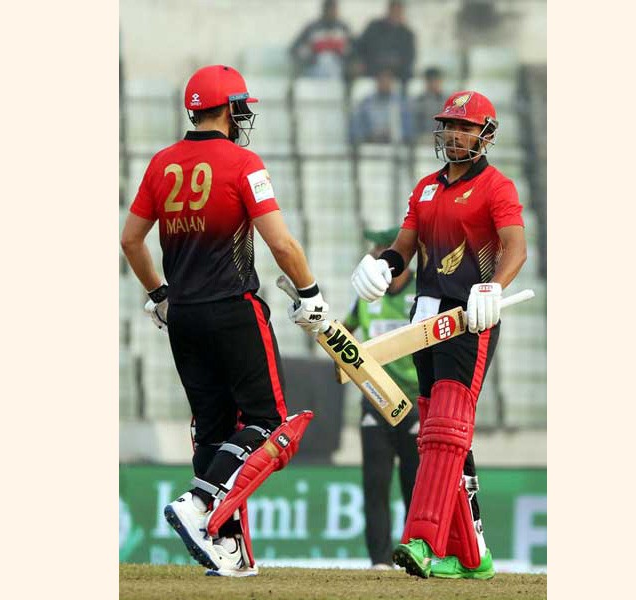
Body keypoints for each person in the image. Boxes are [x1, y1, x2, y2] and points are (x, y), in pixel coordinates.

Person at [120, 64, 329, 577]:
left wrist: (159, 295)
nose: (244, 116)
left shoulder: (161, 163)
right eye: (241, 107)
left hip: (184, 316)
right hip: (234, 309)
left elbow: (130, 240)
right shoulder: (243, 162)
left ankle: (227, 549)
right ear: (229, 109)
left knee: (212, 431)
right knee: (268, 421)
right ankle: (199, 502)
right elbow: (280, 242)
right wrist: (310, 292)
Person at [350, 90, 527, 580]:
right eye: (449, 125)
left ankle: (423, 542)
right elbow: (404, 247)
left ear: (486, 134)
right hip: (424, 317)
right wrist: (381, 268)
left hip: (471, 316)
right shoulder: (426, 188)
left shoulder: (497, 186)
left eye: (465, 126)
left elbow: (516, 248)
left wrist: (493, 285)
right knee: (439, 434)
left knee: (447, 429)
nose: (454, 134)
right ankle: (473, 558)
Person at [342, 226, 420, 569]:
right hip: (375, 401)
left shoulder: (423, 292)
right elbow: (344, 333)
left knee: (414, 488)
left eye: (380, 250)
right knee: (375, 485)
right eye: (374, 251)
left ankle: (415, 554)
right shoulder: (365, 298)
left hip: (416, 403)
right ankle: (379, 562)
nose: (375, 257)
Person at [351, 0, 416, 86]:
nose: (395, 14)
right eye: (394, 11)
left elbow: (409, 57)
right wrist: (358, 61)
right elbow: (359, 46)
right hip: (372, 67)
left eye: (398, 12)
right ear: (388, 11)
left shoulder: (407, 34)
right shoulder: (374, 27)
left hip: (397, 71)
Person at [290, 0, 353, 78]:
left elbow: (353, 50)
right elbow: (294, 49)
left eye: (334, 10)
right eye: (330, 9)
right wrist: (307, 59)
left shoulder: (343, 28)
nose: (332, 13)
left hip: (338, 69)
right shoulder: (312, 28)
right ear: (324, 10)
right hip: (315, 68)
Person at [349, 68, 413, 144]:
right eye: (382, 81)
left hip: (395, 143)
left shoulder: (400, 103)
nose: (385, 84)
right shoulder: (367, 102)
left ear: (392, 83)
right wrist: (368, 134)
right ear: (377, 82)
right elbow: (356, 124)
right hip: (371, 142)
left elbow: (409, 127)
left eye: (388, 81)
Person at [411, 67, 446, 143]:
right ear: (426, 82)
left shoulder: (447, 102)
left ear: (440, 81)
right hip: (423, 139)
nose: (433, 84)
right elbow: (414, 126)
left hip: (442, 140)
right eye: (430, 81)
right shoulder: (419, 101)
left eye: (435, 81)